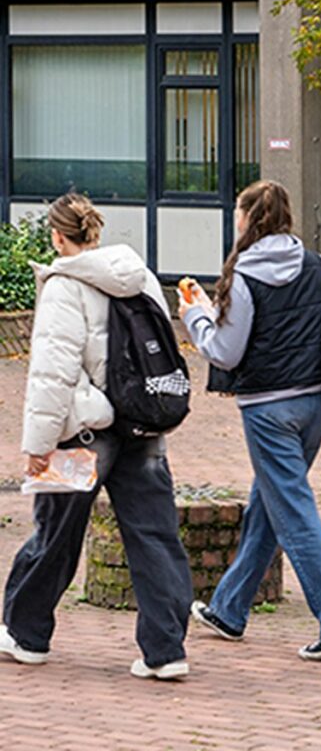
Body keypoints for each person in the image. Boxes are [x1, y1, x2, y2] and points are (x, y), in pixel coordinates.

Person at [0, 193, 193, 680]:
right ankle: (166, 650)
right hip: (144, 425)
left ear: (57, 236)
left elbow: (52, 376)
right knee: (155, 536)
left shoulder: (63, 285)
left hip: (85, 435)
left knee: (55, 534)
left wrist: (38, 447)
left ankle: (25, 634)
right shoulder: (140, 275)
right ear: (96, 232)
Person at [178, 180, 321, 661]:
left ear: (248, 218)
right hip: (314, 407)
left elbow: (226, 351)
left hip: (267, 410)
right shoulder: (317, 266)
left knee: (294, 513)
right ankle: (229, 609)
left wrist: (195, 316)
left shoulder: (243, 276)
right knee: (269, 504)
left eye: (238, 211)